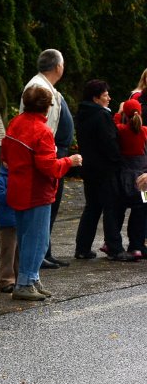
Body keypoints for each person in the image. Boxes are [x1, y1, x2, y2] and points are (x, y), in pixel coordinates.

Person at [2, 85, 82, 301]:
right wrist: (70, 161)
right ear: (47, 107)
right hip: (37, 192)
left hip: (17, 188)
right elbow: (50, 167)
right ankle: (26, 282)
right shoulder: (42, 131)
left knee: (26, 238)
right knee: (38, 241)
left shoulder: (15, 123)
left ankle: (31, 278)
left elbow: (5, 155)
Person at [19, 49, 73, 269]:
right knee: (43, 207)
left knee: (49, 207)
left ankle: (44, 251)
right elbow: (43, 128)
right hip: (47, 155)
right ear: (58, 67)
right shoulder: (39, 88)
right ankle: (38, 255)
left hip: (52, 152)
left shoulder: (45, 86)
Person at [73, 80, 133, 262]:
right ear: (96, 98)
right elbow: (109, 142)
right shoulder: (102, 116)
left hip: (89, 168)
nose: (109, 98)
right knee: (111, 207)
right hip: (105, 169)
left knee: (92, 207)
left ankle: (82, 247)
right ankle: (115, 248)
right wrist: (118, 160)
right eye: (106, 95)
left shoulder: (83, 115)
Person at [112, 98, 147, 258]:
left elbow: (113, 125)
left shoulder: (121, 130)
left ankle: (112, 242)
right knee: (142, 211)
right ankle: (137, 246)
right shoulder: (145, 131)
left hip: (124, 177)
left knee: (118, 208)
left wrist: (119, 113)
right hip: (143, 179)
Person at [0, 163, 19, 293]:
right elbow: (0, 197)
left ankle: (20, 279)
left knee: (19, 253)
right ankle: (6, 280)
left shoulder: (20, 177)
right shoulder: (0, 180)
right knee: (8, 252)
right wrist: (14, 188)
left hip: (20, 220)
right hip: (7, 222)